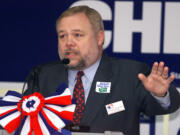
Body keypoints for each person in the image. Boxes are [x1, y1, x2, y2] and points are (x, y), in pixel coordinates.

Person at [25, 5, 180, 135]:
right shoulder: (43, 75)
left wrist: (160, 94)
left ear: (99, 38)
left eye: (77, 35)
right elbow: (23, 122)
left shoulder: (130, 73)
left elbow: (167, 105)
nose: (68, 43)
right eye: (62, 36)